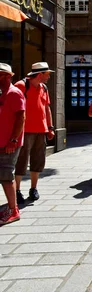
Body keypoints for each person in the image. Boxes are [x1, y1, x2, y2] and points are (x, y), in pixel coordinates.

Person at [14, 62, 55, 204]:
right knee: (21, 161)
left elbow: (46, 108)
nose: (49, 77)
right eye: (47, 74)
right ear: (40, 74)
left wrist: (50, 127)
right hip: (25, 130)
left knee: (38, 161)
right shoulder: (21, 86)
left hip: (41, 130)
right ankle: (17, 190)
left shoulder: (44, 88)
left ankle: (33, 188)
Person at [0, 64, 25, 224]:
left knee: (6, 175)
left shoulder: (14, 93)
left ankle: (14, 210)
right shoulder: (2, 94)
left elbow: (21, 118)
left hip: (9, 143)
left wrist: (13, 140)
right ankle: (10, 207)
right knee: (3, 175)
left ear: (7, 76)